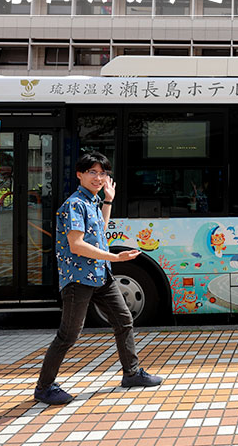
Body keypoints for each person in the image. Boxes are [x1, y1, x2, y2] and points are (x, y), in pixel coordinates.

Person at [34, 151, 162, 405]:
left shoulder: (92, 202)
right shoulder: (74, 204)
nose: (98, 177)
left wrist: (108, 201)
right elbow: (77, 245)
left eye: (102, 173)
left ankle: (132, 373)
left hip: (101, 275)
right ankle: (44, 387)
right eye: (92, 172)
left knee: (124, 319)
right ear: (80, 174)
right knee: (69, 335)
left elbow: (99, 231)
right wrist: (115, 258)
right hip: (79, 279)